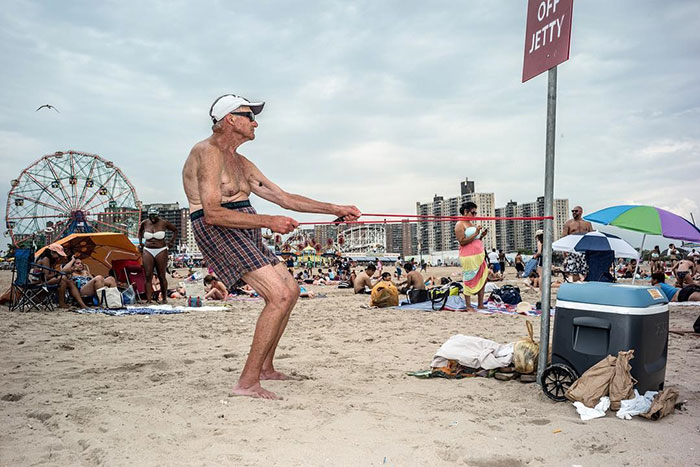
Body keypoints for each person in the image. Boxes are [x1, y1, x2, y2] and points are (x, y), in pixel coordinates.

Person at [182, 93, 360, 399]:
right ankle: (247, 382)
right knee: (277, 295)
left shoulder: (240, 162)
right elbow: (212, 213)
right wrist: (269, 221)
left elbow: (285, 198)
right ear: (230, 120)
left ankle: (265, 368)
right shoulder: (206, 152)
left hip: (244, 223)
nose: (256, 122)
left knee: (290, 290)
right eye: (250, 116)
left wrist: (335, 208)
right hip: (220, 227)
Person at [138, 207, 178, 303]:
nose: (152, 218)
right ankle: (148, 300)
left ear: (158, 215)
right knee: (148, 275)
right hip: (148, 249)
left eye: (154, 216)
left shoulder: (164, 223)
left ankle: (164, 298)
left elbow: (175, 230)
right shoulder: (145, 223)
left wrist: (171, 242)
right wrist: (140, 243)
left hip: (161, 250)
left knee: (161, 275)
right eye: (150, 216)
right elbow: (140, 232)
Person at [455, 202, 488, 309]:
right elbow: (462, 241)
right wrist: (475, 233)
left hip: (479, 255)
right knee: (469, 278)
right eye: (473, 212)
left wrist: (481, 235)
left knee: (483, 277)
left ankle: (480, 304)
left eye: (475, 213)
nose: (474, 215)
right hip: (468, 256)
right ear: (465, 211)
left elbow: (475, 240)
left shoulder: (471, 224)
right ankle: (468, 305)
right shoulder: (460, 224)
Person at [35, 244, 87, 308]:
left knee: (69, 282)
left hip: (46, 281)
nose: (59, 257)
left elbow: (51, 274)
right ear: (52, 252)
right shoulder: (46, 259)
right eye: (58, 255)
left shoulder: (51, 260)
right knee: (62, 279)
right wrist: (59, 273)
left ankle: (82, 304)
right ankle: (61, 303)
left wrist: (60, 273)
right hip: (40, 283)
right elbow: (46, 277)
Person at [562, 206, 593, 281]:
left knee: (586, 270)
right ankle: (576, 284)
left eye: (576, 211)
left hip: (584, 249)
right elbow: (564, 237)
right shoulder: (568, 224)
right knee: (574, 270)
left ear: (581, 212)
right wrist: (564, 250)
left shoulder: (587, 224)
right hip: (573, 249)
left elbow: (591, 237)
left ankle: (584, 284)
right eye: (572, 211)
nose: (574, 213)